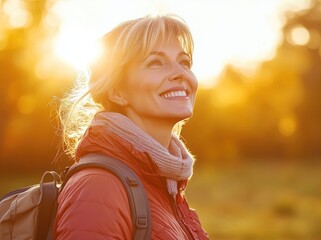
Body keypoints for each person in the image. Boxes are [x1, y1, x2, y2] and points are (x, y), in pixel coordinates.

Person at [55, 14, 209, 240]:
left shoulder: (163, 183)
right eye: (156, 62)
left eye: (184, 62)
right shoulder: (98, 188)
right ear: (117, 91)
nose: (180, 73)